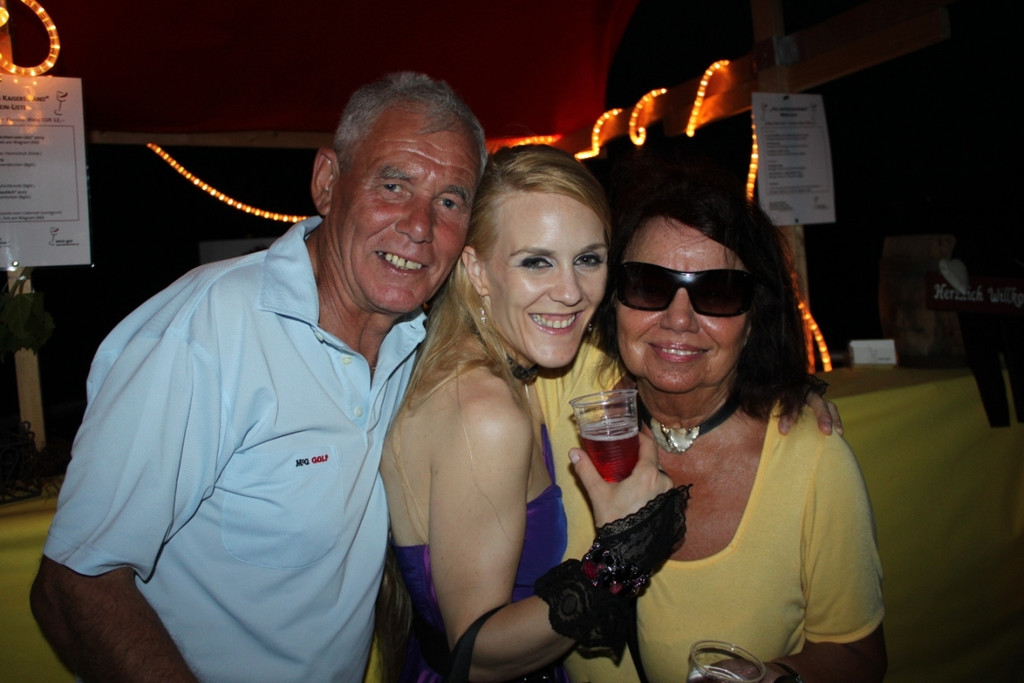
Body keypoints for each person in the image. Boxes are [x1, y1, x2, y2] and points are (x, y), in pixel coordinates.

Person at [29, 72, 488, 682]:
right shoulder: (206, 332)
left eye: (450, 201)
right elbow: (73, 584)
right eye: (393, 184)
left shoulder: (422, 349)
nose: (420, 226)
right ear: (328, 182)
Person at [537, 155, 885, 682]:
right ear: (614, 299)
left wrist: (771, 677)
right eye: (649, 285)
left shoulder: (810, 458)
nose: (679, 319)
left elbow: (859, 655)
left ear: (753, 316)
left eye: (717, 292)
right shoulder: (569, 388)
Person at [379, 144, 688, 682]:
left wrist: (779, 394)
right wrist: (617, 561)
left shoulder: (513, 370)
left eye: (588, 259)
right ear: (476, 270)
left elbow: (648, 367)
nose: (570, 292)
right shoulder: (486, 414)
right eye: (536, 262)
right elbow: (473, 656)